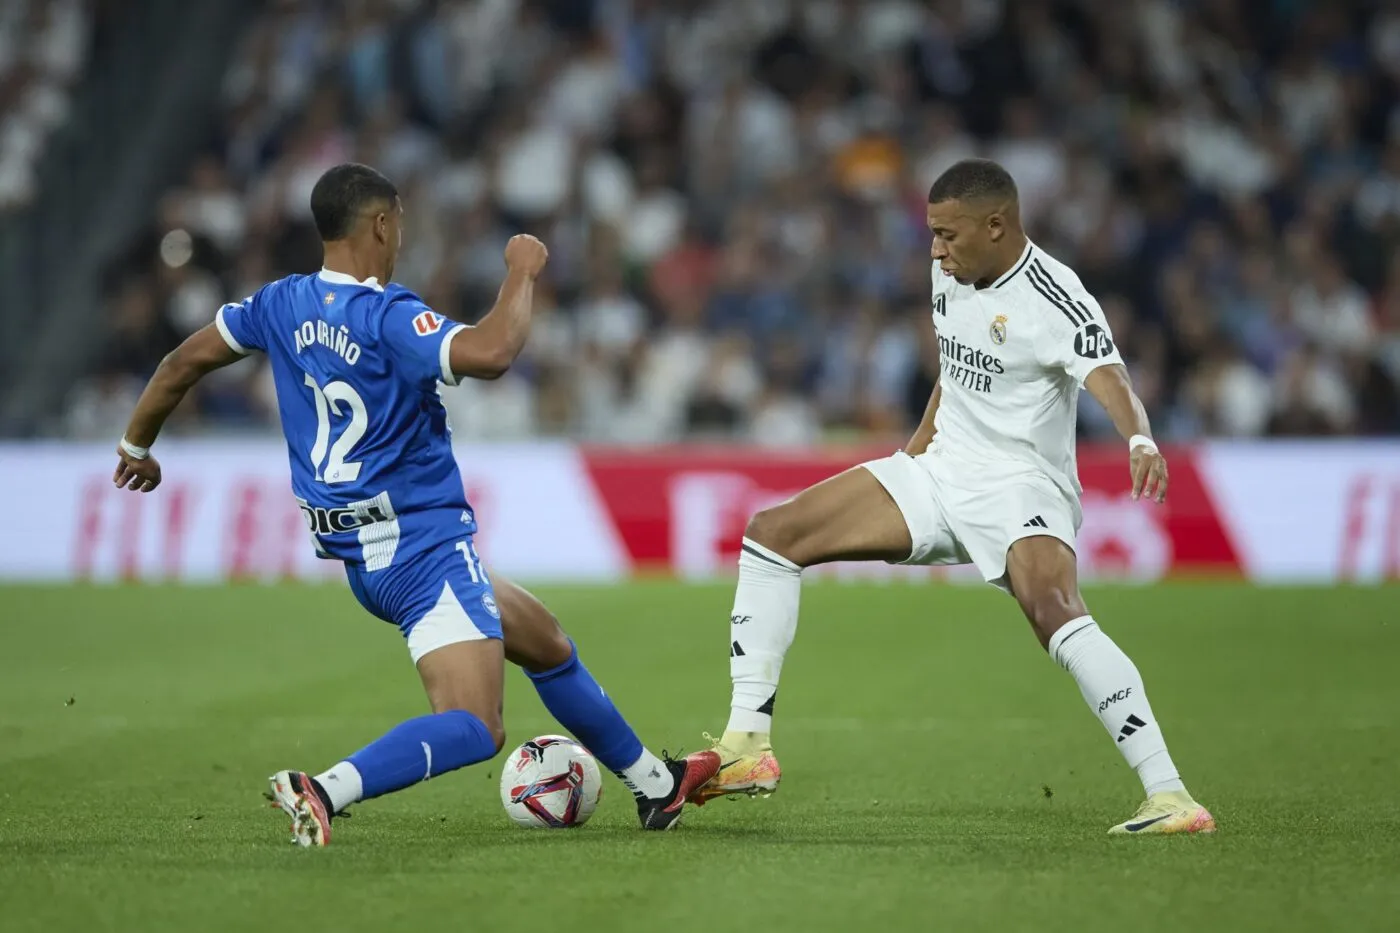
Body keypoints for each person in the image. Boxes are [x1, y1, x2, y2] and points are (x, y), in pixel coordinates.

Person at [112, 162, 718, 846]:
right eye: (397, 221)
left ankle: (656, 788)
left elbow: (180, 363)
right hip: (423, 546)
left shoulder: (278, 304)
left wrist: (136, 446)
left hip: (363, 554)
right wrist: (520, 270)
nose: (400, 235)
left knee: (544, 639)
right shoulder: (387, 313)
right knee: (476, 724)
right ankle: (324, 788)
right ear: (379, 223)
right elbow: (492, 353)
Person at [693, 159, 1215, 836]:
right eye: (932, 234)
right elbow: (953, 367)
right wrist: (912, 454)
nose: (935, 249)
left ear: (996, 225)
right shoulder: (950, 271)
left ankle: (1170, 794)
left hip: (1021, 482)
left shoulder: (1057, 297)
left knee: (1053, 610)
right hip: (940, 472)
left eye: (948, 233)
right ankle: (747, 746)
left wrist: (1140, 440)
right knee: (771, 533)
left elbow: (1111, 378)